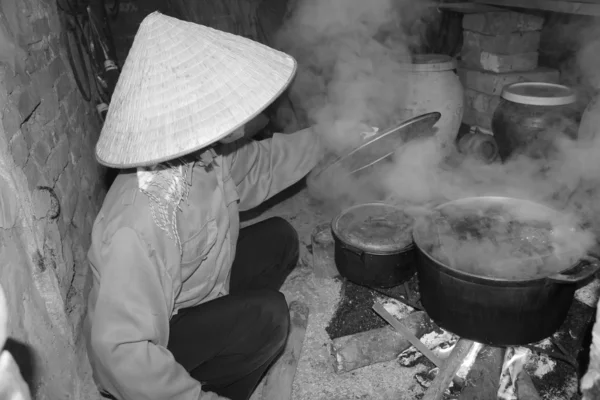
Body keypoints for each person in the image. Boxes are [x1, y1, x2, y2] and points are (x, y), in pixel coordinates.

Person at [83, 12, 323, 400]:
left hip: (199, 294)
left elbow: (264, 165)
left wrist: (329, 138)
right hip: (152, 344)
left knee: (280, 237)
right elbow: (124, 352)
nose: (246, 117)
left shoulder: (205, 154)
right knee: (270, 317)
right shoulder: (142, 217)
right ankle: (218, 381)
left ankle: (230, 335)